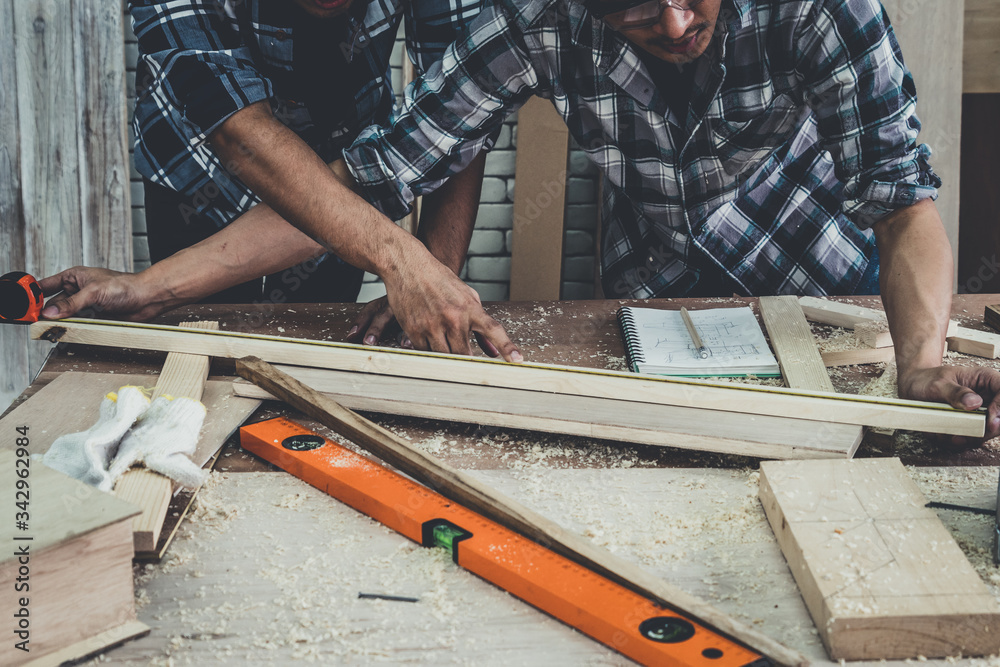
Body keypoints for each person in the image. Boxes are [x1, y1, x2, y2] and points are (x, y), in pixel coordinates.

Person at [337, 0, 1000, 438]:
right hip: (653, 302)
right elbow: (380, 170)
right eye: (636, 7)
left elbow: (901, 204)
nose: (678, 24)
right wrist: (408, 261)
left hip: (831, 290)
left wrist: (918, 363)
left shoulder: (817, 6)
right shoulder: (536, 15)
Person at [40, 0, 521, 360]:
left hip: (346, 161)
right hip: (195, 169)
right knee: (196, 357)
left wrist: (430, 280)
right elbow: (238, 134)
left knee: (308, 355)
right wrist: (154, 288)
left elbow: (459, 112)